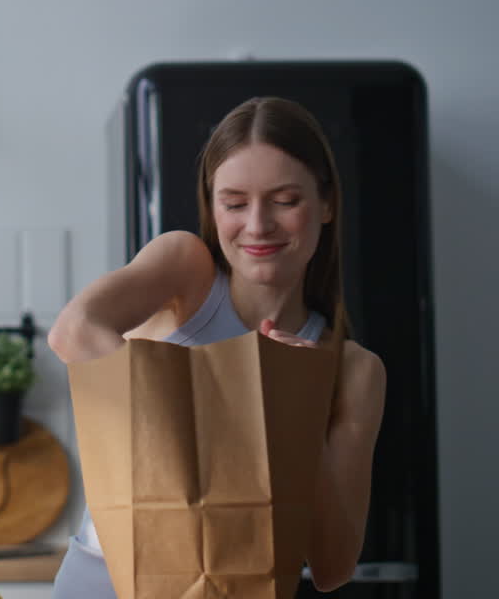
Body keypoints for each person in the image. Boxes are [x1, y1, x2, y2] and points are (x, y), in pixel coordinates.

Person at [46, 96, 386, 596]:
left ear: (327, 203)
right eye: (234, 203)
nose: (258, 225)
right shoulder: (186, 271)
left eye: (285, 200)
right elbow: (73, 332)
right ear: (212, 207)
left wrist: (298, 404)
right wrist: (219, 411)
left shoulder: (353, 370)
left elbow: (333, 566)